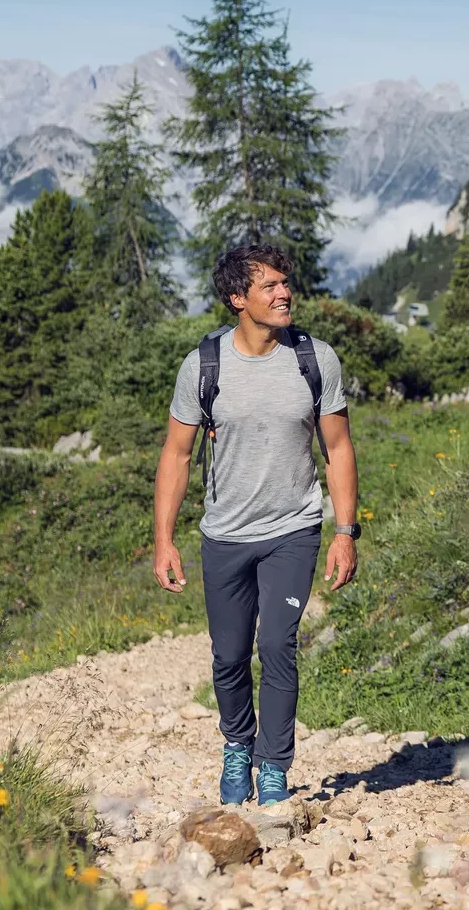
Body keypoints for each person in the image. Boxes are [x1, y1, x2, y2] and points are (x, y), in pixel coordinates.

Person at [153, 244, 360, 806]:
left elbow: (338, 447)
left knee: (277, 644)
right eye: (269, 286)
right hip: (224, 533)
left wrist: (345, 531)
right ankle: (237, 748)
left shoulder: (316, 359)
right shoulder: (204, 364)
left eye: (285, 283)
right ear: (237, 298)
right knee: (227, 654)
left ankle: (273, 765)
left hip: (294, 527)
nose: (284, 293)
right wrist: (164, 539)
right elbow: (175, 454)